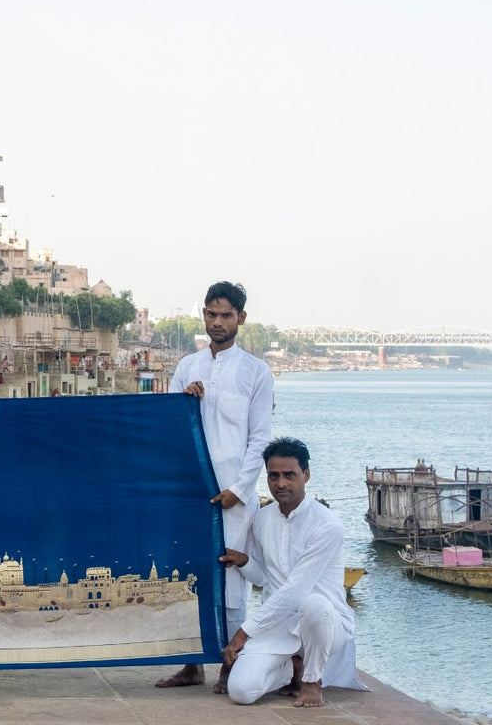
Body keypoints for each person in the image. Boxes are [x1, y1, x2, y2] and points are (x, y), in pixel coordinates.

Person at [156, 281, 272, 693]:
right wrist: (185, 400)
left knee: (232, 575)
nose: (218, 322)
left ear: (241, 318)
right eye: (211, 314)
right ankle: (192, 665)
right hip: (191, 490)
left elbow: (260, 437)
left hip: (234, 494)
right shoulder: (187, 366)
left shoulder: (257, 372)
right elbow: (169, 425)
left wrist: (240, 488)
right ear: (203, 315)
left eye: (226, 315)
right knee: (188, 571)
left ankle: (228, 664)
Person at [220, 438, 365, 707]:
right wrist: (245, 562)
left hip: (324, 626)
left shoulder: (327, 525)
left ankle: (312, 681)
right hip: (279, 625)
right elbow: (266, 579)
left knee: (314, 604)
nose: (281, 483)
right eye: (273, 476)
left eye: (290, 475)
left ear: (306, 475)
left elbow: (297, 589)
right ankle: (292, 668)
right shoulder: (262, 519)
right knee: (241, 691)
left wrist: (243, 633)